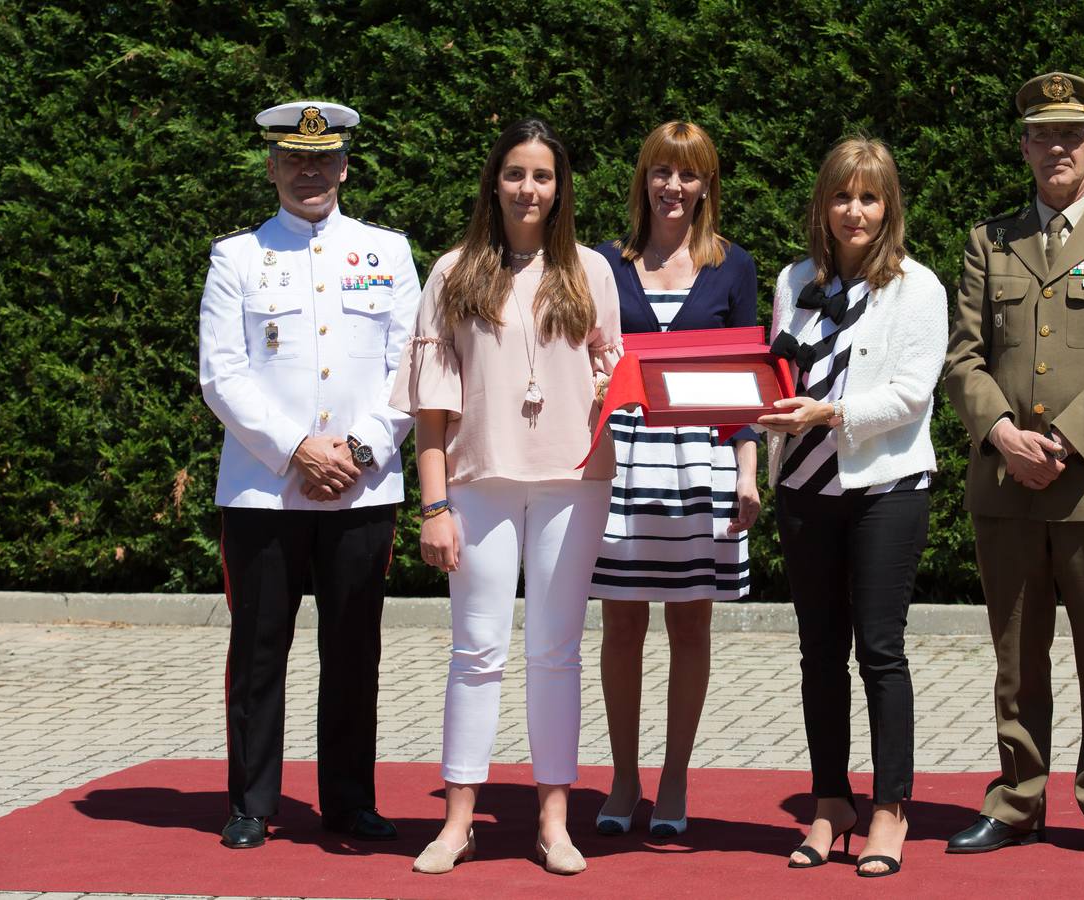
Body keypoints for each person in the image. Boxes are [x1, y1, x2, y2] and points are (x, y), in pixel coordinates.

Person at [941, 71, 1084, 863]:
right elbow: (963, 357)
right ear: (1026, 147)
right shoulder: (987, 242)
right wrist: (1000, 433)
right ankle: (1016, 799)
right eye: (1042, 134)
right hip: (1005, 483)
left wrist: (1063, 444)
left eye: (1072, 134)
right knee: (1015, 652)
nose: (1057, 147)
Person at [389, 118, 621, 877]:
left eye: (543, 176)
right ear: (494, 181)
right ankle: (458, 821)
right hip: (478, 482)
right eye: (516, 173)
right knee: (475, 650)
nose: (529, 188)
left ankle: (554, 820)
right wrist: (433, 506)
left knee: (555, 652)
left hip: (572, 483)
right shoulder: (453, 271)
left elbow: (615, 379)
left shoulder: (591, 270)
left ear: (561, 191)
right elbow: (430, 405)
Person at [198, 100, 421, 849]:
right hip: (263, 489)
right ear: (271, 167)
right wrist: (297, 449)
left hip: (362, 487)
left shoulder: (386, 252)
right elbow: (221, 375)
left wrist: (356, 452)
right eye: (293, 159)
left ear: (345, 166)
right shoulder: (237, 257)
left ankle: (350, 802)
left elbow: (411, 369)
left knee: (354, 648)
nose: (309, 172)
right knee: (259, 647)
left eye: (322, 159)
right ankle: (252, 803)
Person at [758, 137, 947, 877]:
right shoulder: (793, 278)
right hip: (804, 489)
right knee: (817, 654)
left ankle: (890, 808)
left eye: (868, 197)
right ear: (823, 204)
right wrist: (766, 410)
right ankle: (830, 799)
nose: (854, 210)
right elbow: (773, 371)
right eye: (842, 196)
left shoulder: (918, 288)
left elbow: (910, 394)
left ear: (888, 206)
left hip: (885, 488)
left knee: (879, 650)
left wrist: (829, 414)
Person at [589, 121, 761, 839]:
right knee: (621, 622)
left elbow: (751, 379)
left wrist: (749, 475)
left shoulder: (733, 265)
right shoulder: (601, 262)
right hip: (622, 465)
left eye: (688, 174)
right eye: (661, 171)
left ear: (706, 185)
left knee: (690, 623)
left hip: (701, 465)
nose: (673, 186)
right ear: (643, 179)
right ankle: (623, 776)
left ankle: (675, 776)